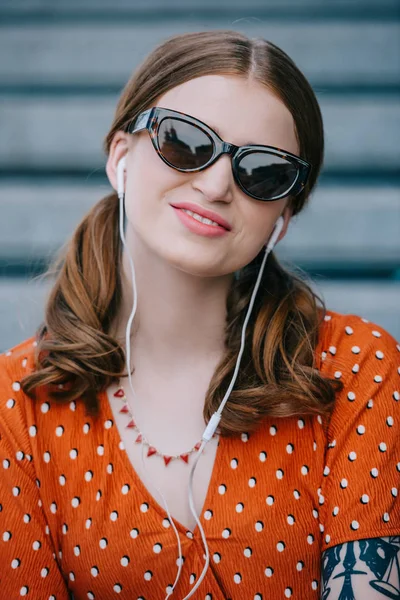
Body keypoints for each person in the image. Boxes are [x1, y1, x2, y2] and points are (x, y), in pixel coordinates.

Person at [0, 29, 399, 600]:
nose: (215, 185)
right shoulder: (15, 406)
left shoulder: (357, 368)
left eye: (262, 171)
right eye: (186, 142)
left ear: (283, 216)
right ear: (120, 158)